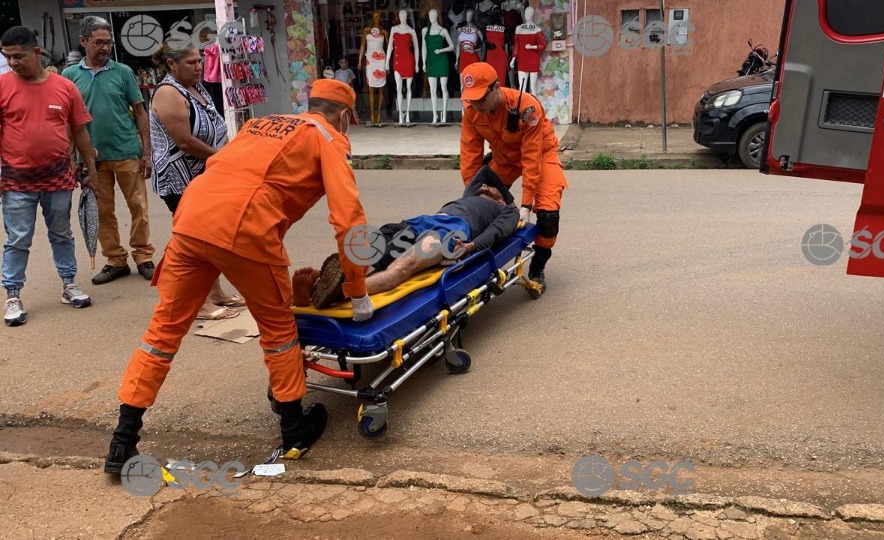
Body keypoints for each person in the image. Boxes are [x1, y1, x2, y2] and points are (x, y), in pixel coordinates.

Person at [104, 78, 374, 475]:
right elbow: (348, 217)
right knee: (279, 332)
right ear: (345, 116)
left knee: (162, 333)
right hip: (246, 227)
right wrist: (356, 288)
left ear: (309, 103)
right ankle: (293, 428)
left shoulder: (259, 124)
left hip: (192, 219)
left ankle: (122, 441)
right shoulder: (328, 138)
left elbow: (220, 165)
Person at [295, 171, 519, 309]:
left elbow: (498, 231)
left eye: (491, 188)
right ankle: (328, 284)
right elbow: (486, 171)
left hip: (449, 233)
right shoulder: (471, 193)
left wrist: (472, 246)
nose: (485, 185)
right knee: (371, 251)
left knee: (403, 266)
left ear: (501, 198)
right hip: (419, 222)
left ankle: (336, 293)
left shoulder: (505, 210)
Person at [0, 26, 98, 327]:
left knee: (61, 234)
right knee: (18, 239)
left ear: (36, 52)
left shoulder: (64, 87)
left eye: (18, 56)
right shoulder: (2, 86)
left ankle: (69, 285)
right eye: (8, 57)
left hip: (58, 175)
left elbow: (80, 130)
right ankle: (13, 295)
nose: (14, 63)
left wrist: (91, 170)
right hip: (15, 179)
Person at [149, 40, 244, 320]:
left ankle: (215, 293)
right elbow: (185, 141)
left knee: (209, 237)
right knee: (194, 241)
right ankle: (200, 303)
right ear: (171, 64)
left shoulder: (195, 87)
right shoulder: (168, 93)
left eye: (199, 60)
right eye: (191, 62)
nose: (198, 66)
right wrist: (222, 159)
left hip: (204, 176)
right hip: (180, 180)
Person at [459, 62, 566, 298]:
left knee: (548, 216)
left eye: (481, 98)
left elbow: (531, 157)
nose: (476, 104)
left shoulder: (526, 107)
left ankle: (537, 269)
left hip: (541, 154)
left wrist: (527, 204)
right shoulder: (472, 110)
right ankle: (484, 264)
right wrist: (473, 193)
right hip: (504, 159)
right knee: (482, 207)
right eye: (472, 99)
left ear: (496, 87)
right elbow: (469, 154)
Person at [62, 16, 156, 286]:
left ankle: (143, 256)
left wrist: (146, 151)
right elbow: (68, 122)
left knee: (138, 206)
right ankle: (115, 260)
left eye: (108, 43)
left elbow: (140, 112)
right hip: (91, 158)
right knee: (102, 210)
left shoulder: (123, 72)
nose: (105, 48)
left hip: (127, 150)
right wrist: (72, 158)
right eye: (98, 42)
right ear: (83, 42)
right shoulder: (69, 77)